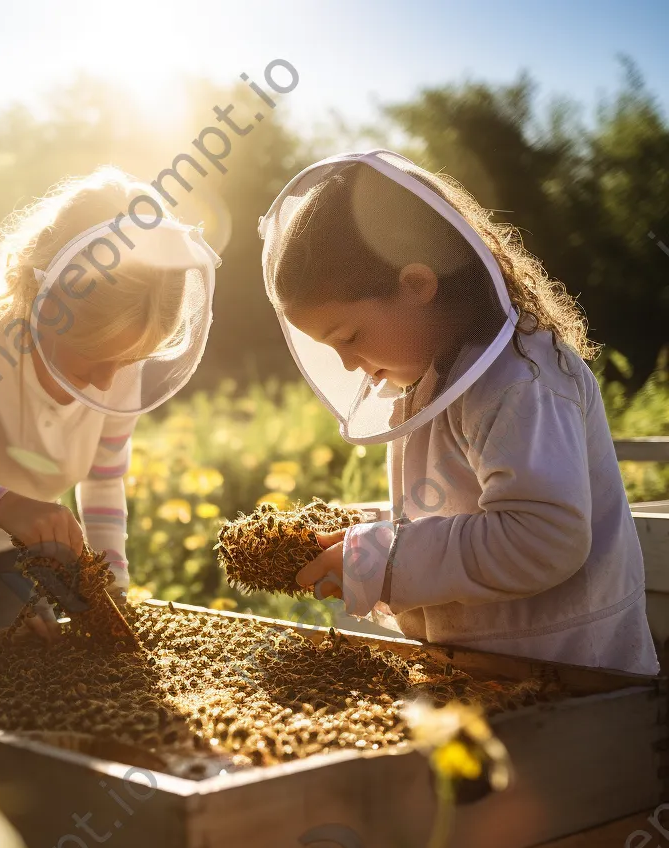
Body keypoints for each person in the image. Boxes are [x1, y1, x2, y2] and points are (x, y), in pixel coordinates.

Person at [259, 149, 659, 675]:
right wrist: (364, 531)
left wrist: (387, 556)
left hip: (573, 676)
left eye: (349, 337)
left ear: (418, 286)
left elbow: (544, 536)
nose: (349, 364)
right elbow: (455, 515)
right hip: (484, 672)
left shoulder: (522, 377)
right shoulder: (429, 376)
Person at [0, 166, 219, 639]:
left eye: (128, 361)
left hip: (12, 533)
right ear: (43, 299)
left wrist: (110, 586)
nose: (106, 383)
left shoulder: (121, 355)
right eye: (96, 357)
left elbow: (102, 478)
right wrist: (10, 505)